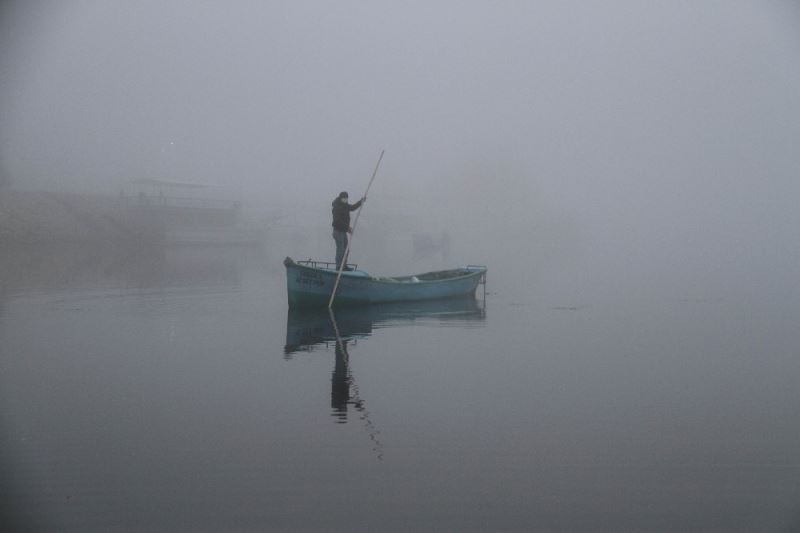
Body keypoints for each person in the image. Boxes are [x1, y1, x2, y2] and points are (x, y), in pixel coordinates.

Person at [331, 191, 365, 270]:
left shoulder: (345, 205)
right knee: (340, 249)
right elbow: (337, 221)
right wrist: (348, 228)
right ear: (340, 198)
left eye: (347, 198)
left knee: (346, 249)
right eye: (344, 198)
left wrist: (361, 201)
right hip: (337, 231)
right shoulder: (337, 207)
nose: (346, 200)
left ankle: (344, 265)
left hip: (343, 232)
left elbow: (352, 208)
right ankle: (339, 266)